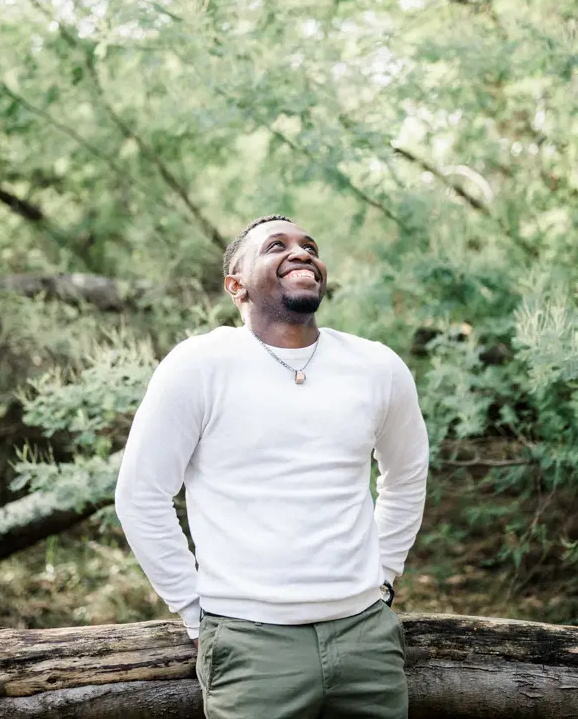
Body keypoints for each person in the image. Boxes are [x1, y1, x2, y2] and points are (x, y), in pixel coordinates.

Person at [115, 214, 429, 719]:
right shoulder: (198, 366)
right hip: (250, 646)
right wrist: (195, 612)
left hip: (366, 637)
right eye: (276, 246)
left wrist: (385, 575)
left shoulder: (378, 366)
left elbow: (408, 475)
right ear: (236, 285)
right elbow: (140, 496)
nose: (301, 251)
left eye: (310, 244)